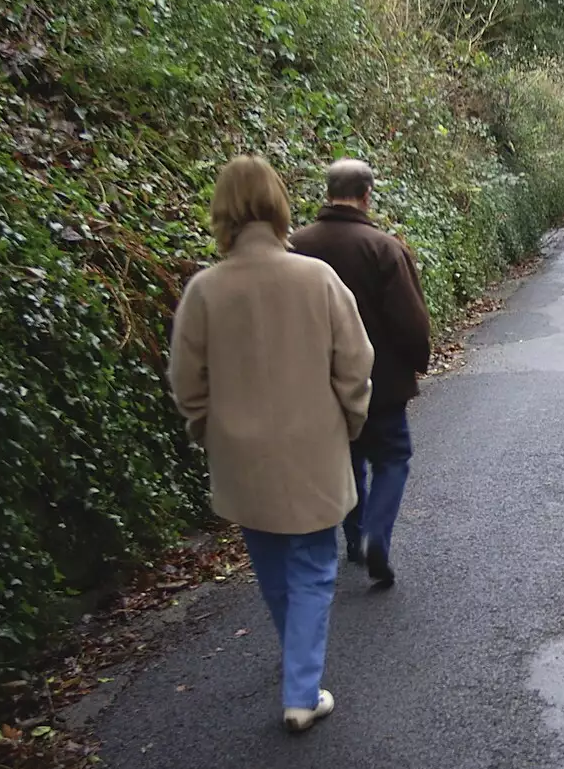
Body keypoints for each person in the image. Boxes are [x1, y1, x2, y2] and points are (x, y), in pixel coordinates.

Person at [169, 156, 374, 731]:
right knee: (312, 565)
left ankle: (299, 677)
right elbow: (355, 365)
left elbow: (187, 382)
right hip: (312, 448)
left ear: (222, 211)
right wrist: (351, 419)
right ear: (280, 206)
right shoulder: (317, 280)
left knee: (272, 567)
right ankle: (301, 692)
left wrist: (207, 429)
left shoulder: (205, 291)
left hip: (241, 459)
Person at [290, 159, 432, 588]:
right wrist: (416, 361)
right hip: (381, 383)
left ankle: (354, 539)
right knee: (392, 459)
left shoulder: (294, 248)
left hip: (318, 384)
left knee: (346, 460)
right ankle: (376, 534)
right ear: (367, 195)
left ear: (327, 191)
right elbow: (411, 322)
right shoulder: (384, 249)